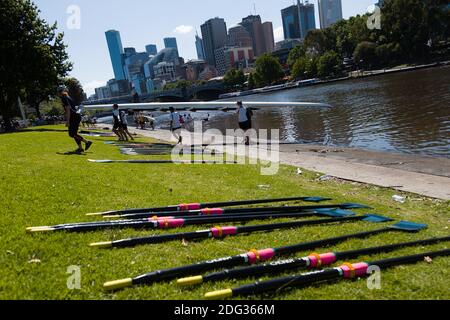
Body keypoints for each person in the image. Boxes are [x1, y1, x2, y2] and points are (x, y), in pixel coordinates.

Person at [58, 86, 93, 153]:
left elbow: (68, 109)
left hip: (73, 117)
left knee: (71, 134)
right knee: (74, 134)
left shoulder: (64, 98)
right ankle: (80, 148)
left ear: (59, 92)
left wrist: (67, 121)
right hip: (76, 116)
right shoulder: (68, 97)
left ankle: (87, 142)